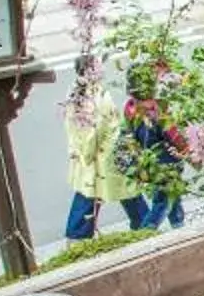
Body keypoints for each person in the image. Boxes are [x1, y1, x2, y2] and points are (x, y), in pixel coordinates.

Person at [62, 62, 132, 240]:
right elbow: (92, 129)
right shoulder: (84, 96)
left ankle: (78, 232)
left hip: (106, 150)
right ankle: (78, 233)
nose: (101, 70)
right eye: (97, 67)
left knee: (107, 189)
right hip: (101, 153)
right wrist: (87, 154)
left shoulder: (82, 93)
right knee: (103, 190)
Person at [118, 81, 187, 231]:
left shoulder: (130, 108)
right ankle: (144, 235)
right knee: (162, 203)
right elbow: (174, 136)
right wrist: (186, 149)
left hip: (152, 163)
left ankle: (179, 225)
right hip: (165, 165)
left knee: (172, 197)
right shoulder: (156, 114)